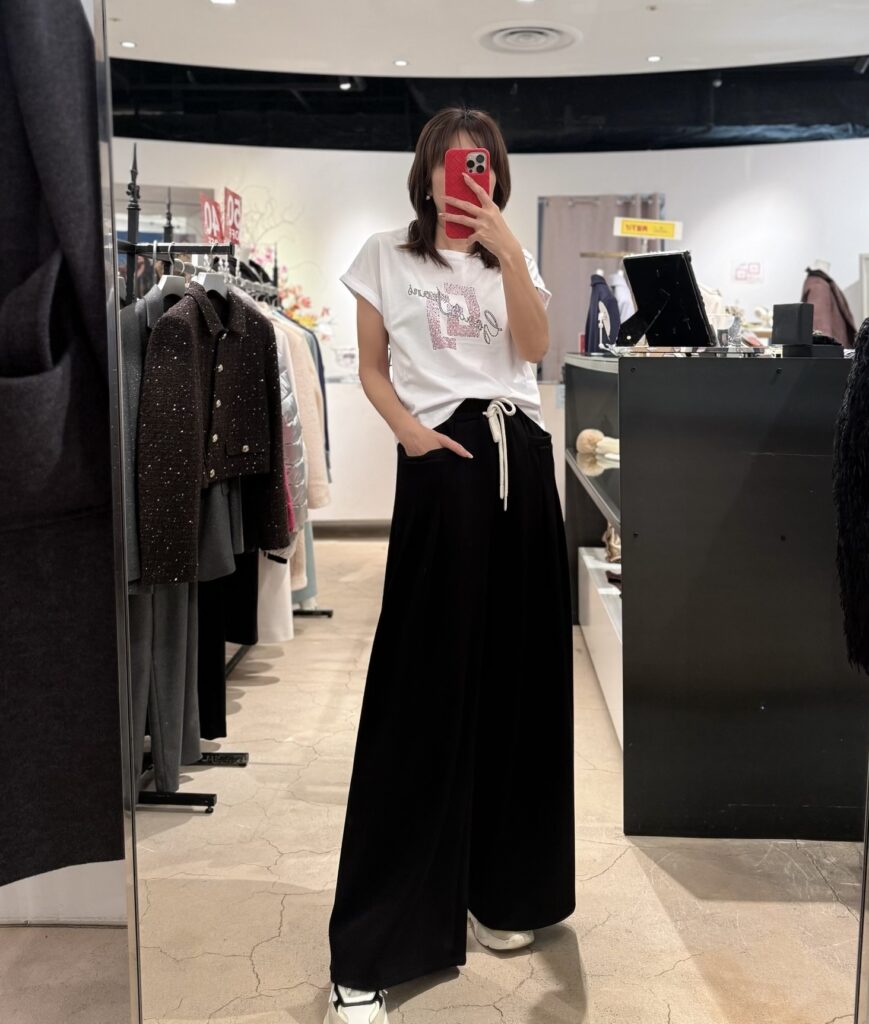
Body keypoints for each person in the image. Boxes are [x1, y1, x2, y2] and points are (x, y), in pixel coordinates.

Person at [325, 107, 575, 1024]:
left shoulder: (511, 256)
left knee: (522, 684)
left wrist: (508, 252)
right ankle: (376, 942)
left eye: (483, 165)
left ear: (496, 175)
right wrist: (412, 438)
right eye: (452, 163)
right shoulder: (384, 255)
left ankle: (504, 889)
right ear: (427, 172)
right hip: (446, 462)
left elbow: (534, 351)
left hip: (525, 463)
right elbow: (372, 368)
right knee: (420, 689)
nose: (467, 178)